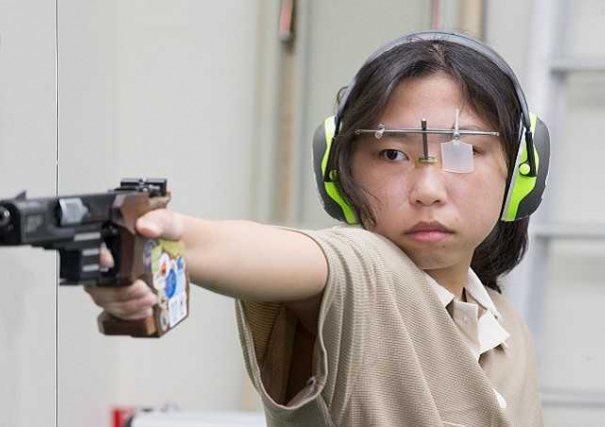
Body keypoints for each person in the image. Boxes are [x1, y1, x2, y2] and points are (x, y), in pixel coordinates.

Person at [87, 31, 550, 427]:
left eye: (463, 152)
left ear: (519, 173)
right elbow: (306, 259)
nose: (427, 189)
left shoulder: (505, 325)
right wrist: (163, 236)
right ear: (340, 174)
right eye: (391, 154)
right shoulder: (366, 273)